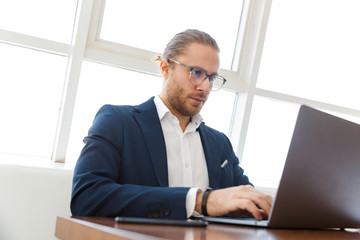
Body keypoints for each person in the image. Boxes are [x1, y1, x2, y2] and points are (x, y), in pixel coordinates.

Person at [71, 29, 273, 220]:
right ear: (165, 68)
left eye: (211, 78)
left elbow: (248, 200)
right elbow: (87, 196)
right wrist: (199, 201)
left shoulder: (220, 144)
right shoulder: (117, 122)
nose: (205, 87)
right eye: (196, 72)